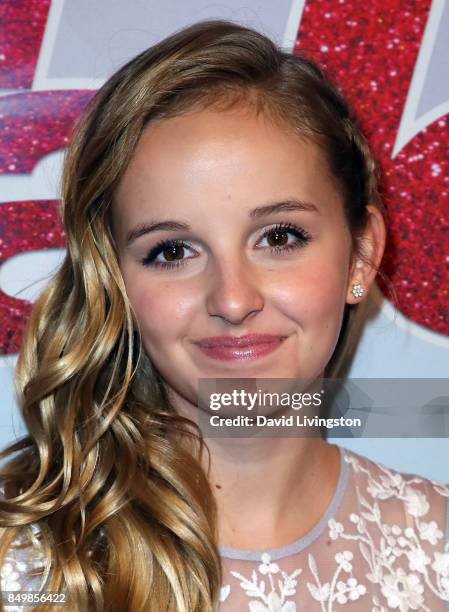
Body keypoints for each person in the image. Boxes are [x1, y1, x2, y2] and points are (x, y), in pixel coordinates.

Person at [0, 19, 448, 612]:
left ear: (361, 254)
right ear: (115, 279)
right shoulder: (22, 560)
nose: (233, 300)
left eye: (280, 237)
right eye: (172, 251)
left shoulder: (438, 543)